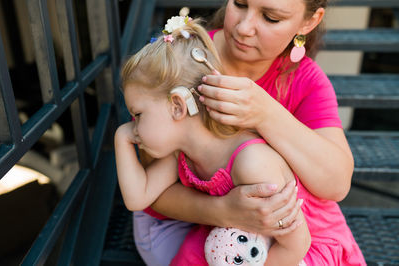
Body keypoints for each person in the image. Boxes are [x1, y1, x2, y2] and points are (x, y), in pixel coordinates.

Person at [128, 0, 366, 265]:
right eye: (239, 4)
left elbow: (335, 185)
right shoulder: (183, 61)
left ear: (308, 22)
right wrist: (224, 212)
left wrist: (266, 114)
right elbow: (154, 191)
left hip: (275, 231)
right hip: (189, 217)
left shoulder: (304, 80)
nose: (243, 28)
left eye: (271, 18)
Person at [115, 17, 311, 266]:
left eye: (138, 115)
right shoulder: (181, 155)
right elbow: (137, 198)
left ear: (177, 106)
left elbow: (296, 245)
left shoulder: (252, 163)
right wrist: (121, 137)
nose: (134, 127)